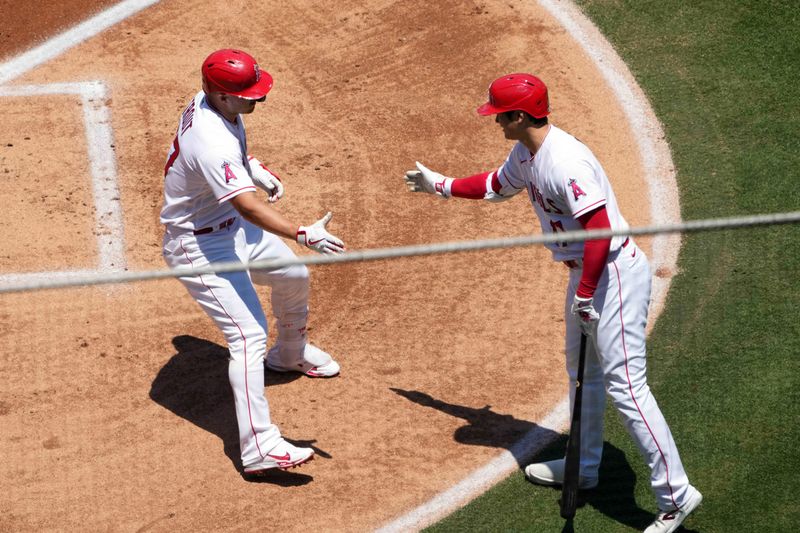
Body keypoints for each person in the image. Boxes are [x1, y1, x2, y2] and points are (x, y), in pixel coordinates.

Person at [403, 73, 701, 533]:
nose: (495, 121)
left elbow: (600, 230)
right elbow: (495, 186)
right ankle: (584, 467)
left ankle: (675, 496)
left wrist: (586, 293)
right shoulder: (527, 152)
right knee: (583, 373)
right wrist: (440, 184)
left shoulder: (566, 162)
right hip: (588, 275)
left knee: (627, 387)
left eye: (499, 114)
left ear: (519, 115)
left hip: (612, 275)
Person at [160, 48, 345, 476]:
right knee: (247, 337)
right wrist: (302, 232)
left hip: (229, 228)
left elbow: (228, 171)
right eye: (247, 96)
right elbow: (247, 207)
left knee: (293, 274)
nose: (256, 101)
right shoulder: (211, 141)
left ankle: (290, 355)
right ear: (219, 94)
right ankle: (259, 446)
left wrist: (252, 166)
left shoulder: (211, 101)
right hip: (200, 247)